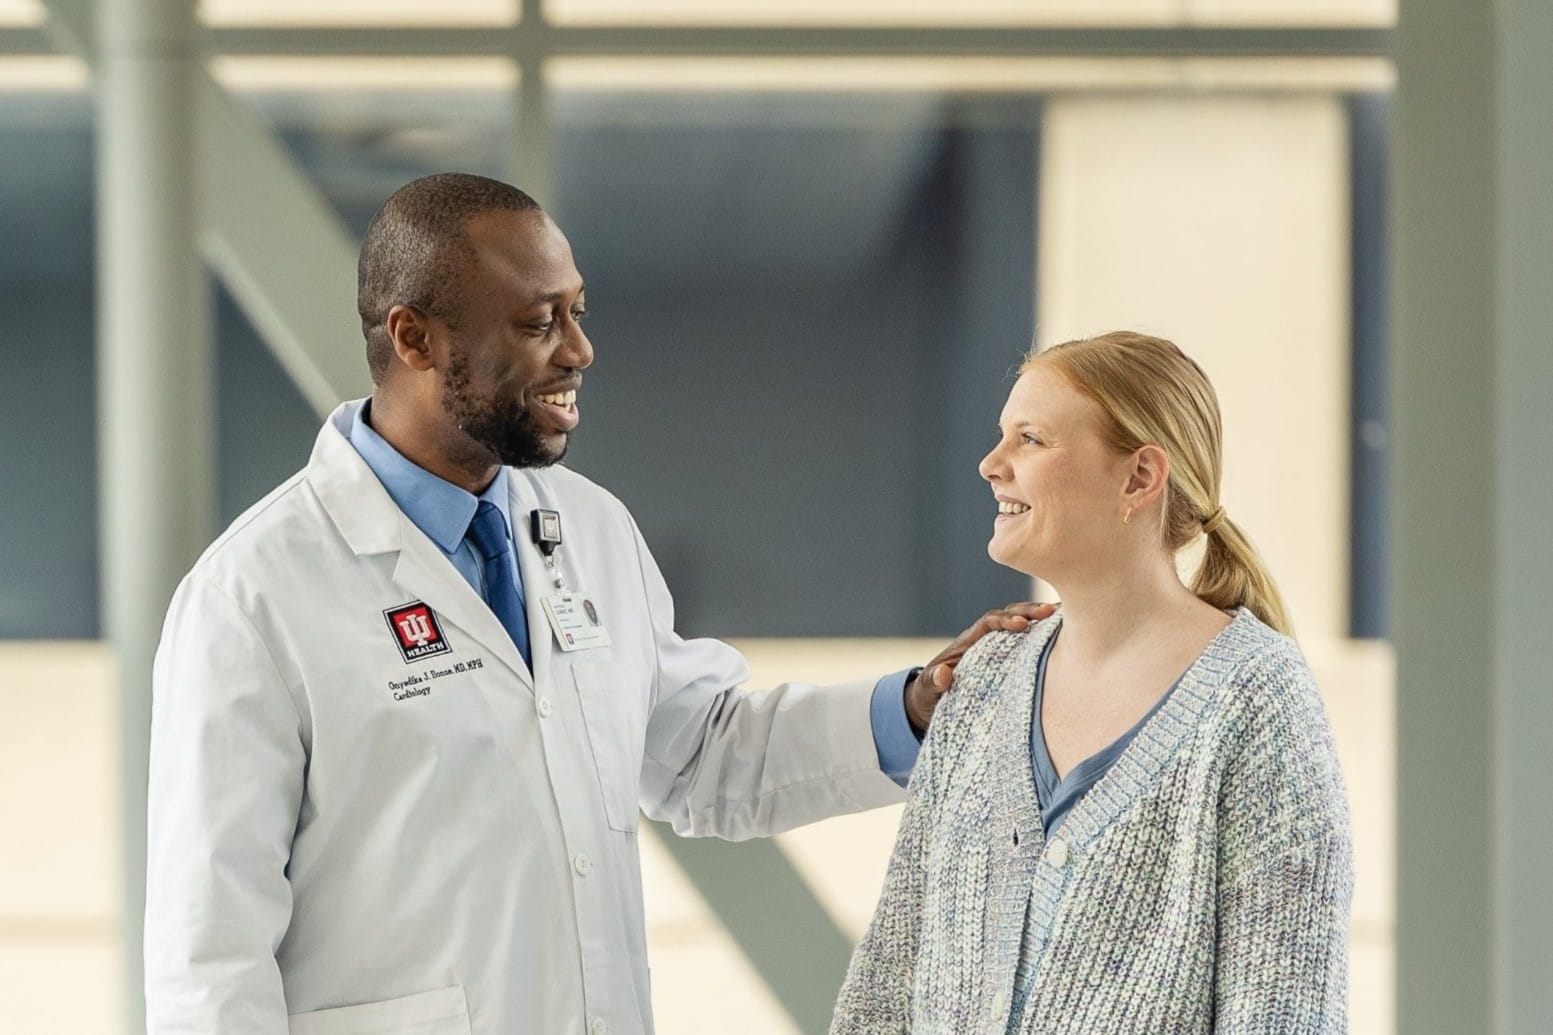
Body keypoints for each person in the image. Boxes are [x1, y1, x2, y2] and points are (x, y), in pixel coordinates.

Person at [143, 172, 1047, 1035]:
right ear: (414, 339)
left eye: (577, 312)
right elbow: (208, 953)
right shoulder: (253, 596)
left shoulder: (589, 527)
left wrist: (916, 707)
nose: (578, 350)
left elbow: (700, 752)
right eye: (539, 322)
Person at [831, 331, 1353, 1033]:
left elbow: (1285, 1011)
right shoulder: (982, 680)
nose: (990, 464)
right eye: (1001, 437)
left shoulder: (1257, 699)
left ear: (1138, 477)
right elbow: (887, 983)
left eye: (1030, 439)